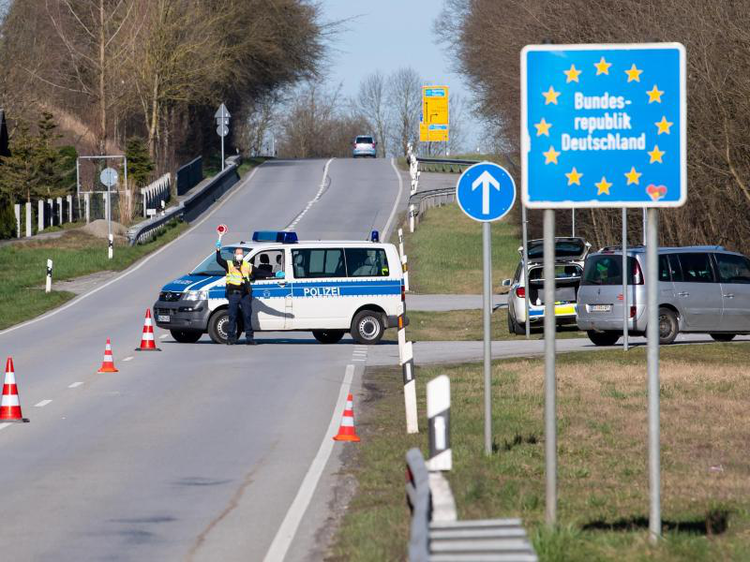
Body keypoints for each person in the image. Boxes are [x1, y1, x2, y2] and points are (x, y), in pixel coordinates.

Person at [215, 243, 273, 345]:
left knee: (247, 315)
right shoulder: (229, 264)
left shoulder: (247, 265)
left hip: (245, 294)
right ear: (234, 254)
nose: (240, 255)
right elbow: (219, 260)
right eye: (238, 253)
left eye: (241, 253)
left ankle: (249, 338)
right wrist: (218, 250)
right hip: (233, 294)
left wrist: (273, 274)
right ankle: (230, 338)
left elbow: (259, 271)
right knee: (232, 316)